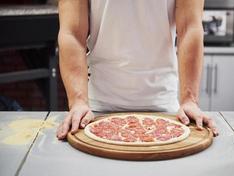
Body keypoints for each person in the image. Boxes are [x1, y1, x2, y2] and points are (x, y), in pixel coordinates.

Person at [56, 0, 218, 139]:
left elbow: (189, 28)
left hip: (165, 109)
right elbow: (73, 33)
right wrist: (78, 101)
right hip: (95, 111)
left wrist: (190, 100)